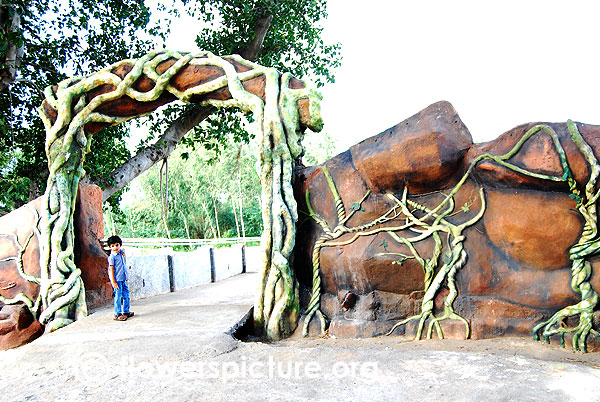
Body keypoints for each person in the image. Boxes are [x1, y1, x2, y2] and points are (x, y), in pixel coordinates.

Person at [107, 235, 134, 321]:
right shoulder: (112, 257)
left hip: (123, 279)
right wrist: (113, 282)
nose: (115, 247)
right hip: (117, 280)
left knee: (126, 294)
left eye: (117, 245)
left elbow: (122, 251)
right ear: (110, 247)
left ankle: (126, 311)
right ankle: (117, 313)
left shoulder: (120, 253)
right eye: (112, 246)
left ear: (120, 245)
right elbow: (111, 270)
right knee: (118, 296)